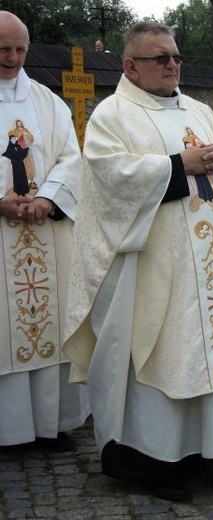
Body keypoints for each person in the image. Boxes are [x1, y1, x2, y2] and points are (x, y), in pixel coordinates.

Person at [62, 21, 213, 501]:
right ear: (130, 65)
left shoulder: (198, 108)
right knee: (164, 354)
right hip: (157, 269)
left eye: (175, 56)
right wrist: (181, 165)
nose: (173, 65)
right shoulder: (113, 115)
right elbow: (108, 175)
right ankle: (153, 462)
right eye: (160, 58)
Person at [0, 10, 89, 451]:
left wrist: (48, 198)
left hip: (47, 233)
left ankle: (53, 423)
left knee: (49, 326)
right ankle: (10, 430)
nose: (13, 57)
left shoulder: (46, 101)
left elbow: (72, 158)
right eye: (3, 49)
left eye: (19, 49)